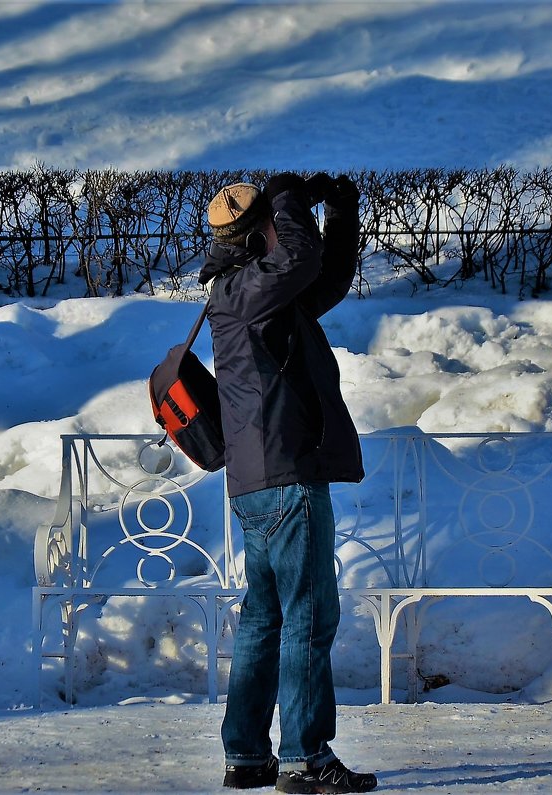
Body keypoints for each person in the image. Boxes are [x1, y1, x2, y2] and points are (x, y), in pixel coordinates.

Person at [200, 172, 377, 794]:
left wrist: (342, 211)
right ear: (258, 238)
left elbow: (323, 276)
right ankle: (306, 758)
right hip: (285, 477)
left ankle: (247, 756)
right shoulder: (246, 292)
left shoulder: (253, 298)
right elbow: (299, 257)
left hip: (260, 480)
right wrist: (284, 193)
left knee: (265, 617)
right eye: (274, 226)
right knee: (309, 615)